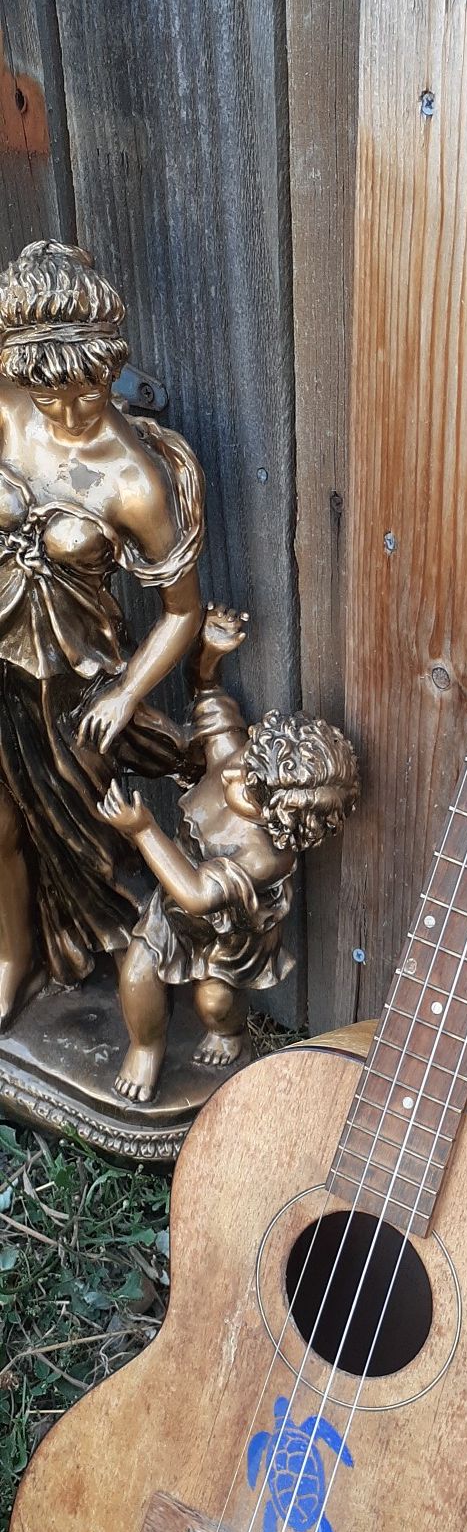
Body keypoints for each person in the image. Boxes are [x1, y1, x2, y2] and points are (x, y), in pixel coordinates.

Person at [0, 239, 205, 1026]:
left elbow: (182, 613)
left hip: (72, 686)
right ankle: (14, 955)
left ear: (110, 369)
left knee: (91, 840)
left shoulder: (135, 478)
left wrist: (125, 696)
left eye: (86, 394)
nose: (67, 414)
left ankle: (141, 981)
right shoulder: (9, 411)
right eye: (47, 397)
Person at [98, 606, 359, 1103]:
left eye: (247, 783)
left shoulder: (264, 858)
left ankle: (229, 1034)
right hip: (174, 907)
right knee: (137, 971)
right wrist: (209, 655)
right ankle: (146, 1046)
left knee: (215, 1002)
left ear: (278, 818)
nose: (231, 770)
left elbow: (199, 895)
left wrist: (143, 829)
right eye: (248, 756)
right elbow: (209, 701)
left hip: (228, 935)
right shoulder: (241, 765)